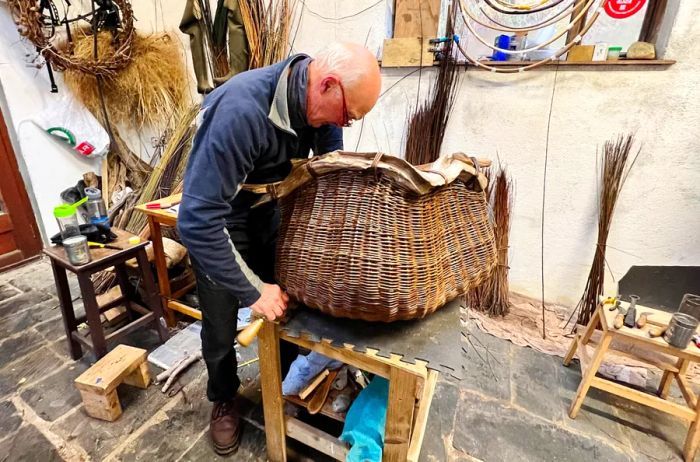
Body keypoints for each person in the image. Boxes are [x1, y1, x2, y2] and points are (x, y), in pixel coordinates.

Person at [177, 42, 382, 455]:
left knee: (289, 306)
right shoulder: (240, 113)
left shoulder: (324, 111)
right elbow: (196, 221)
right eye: (348, 116)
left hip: (270, 209)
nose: (345, 124)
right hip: (220, 220)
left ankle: (288, 384)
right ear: (327, 86)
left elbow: (331, 174)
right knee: (220, 326)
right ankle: (223, 397)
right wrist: (253, 291)